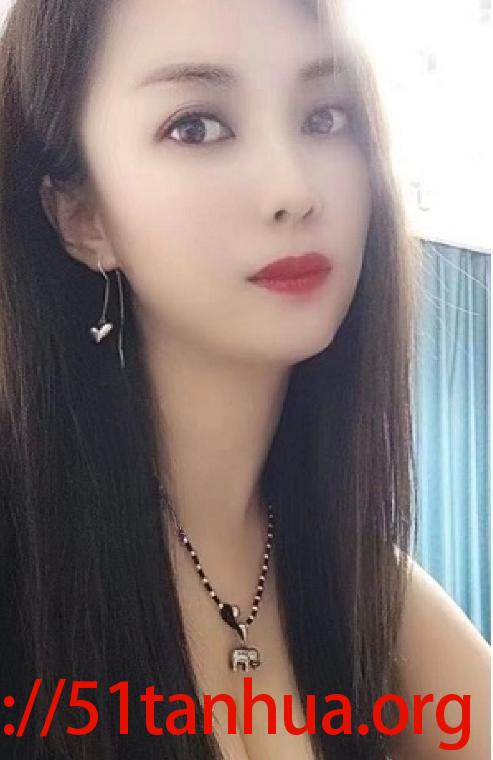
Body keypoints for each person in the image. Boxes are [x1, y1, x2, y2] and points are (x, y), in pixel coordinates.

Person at [0, 0, 489, 758]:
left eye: (324, 117)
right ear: (79, 215)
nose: (293, 188)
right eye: (196, 126)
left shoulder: (365, 588)